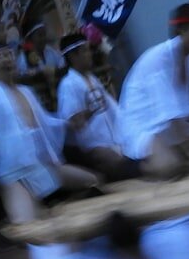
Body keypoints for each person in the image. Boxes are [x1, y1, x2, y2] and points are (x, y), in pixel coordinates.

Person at [0, 38, 101, 223]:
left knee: (94, 182)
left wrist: (71, 123)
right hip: (13, 176)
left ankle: (60, 213)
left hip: (43, 166)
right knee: (27, 224)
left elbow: (48, 123)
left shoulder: (27, 91)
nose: (6, 58)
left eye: (9, 54)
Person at [118, 3, 189, 179]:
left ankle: (179, 153)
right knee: (171, 166)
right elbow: (171, 117)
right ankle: (134, 169)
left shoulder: (188, 62)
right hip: (143, 127)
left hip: (169, 126)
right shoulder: (158, 60)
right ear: (182, 30)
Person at [56, 32, 136, 180]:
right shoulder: (68, 84)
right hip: (92, 148)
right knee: (119, 163)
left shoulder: (92, 78)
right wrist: (90, 111)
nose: (90, 54)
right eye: (85, 51)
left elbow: (114, 109)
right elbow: (73, 123)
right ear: (73, 56)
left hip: (112, 140)